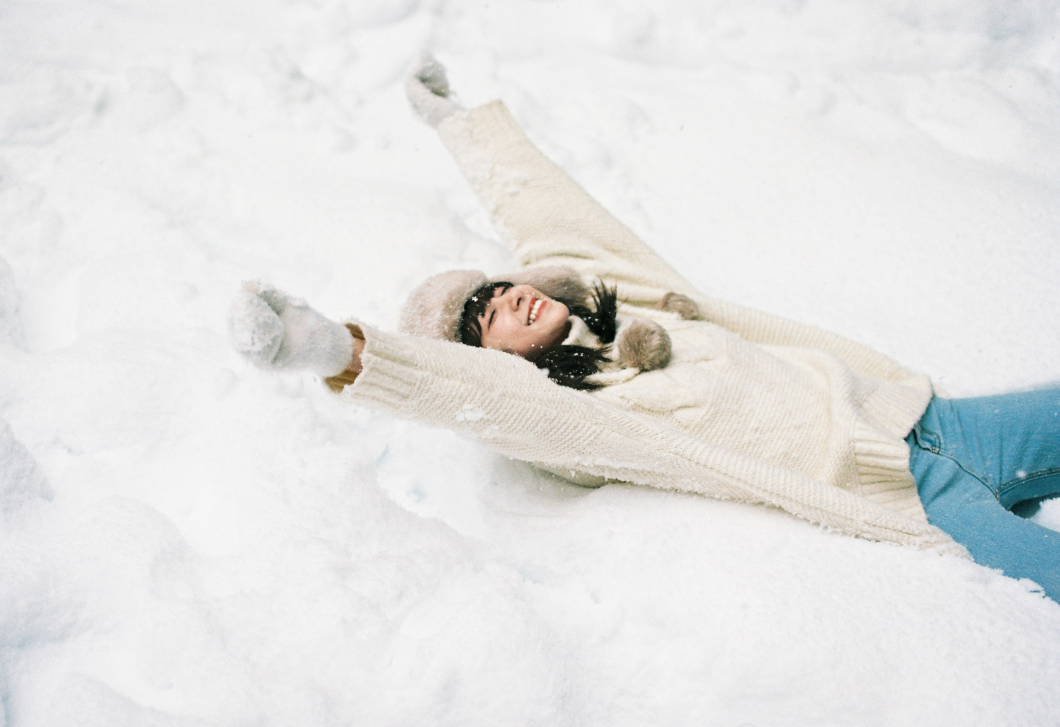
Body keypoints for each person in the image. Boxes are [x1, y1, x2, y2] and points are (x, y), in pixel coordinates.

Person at [229, 55, 1060, 603]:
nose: (504, 304)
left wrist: (457, 124)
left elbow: (545, 206)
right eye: (481, 323)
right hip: (914, 495)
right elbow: (474, 395)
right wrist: (333, 348)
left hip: (934, 421)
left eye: (494, 291)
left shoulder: (633, 302)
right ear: (493, 361)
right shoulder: (588, 420)